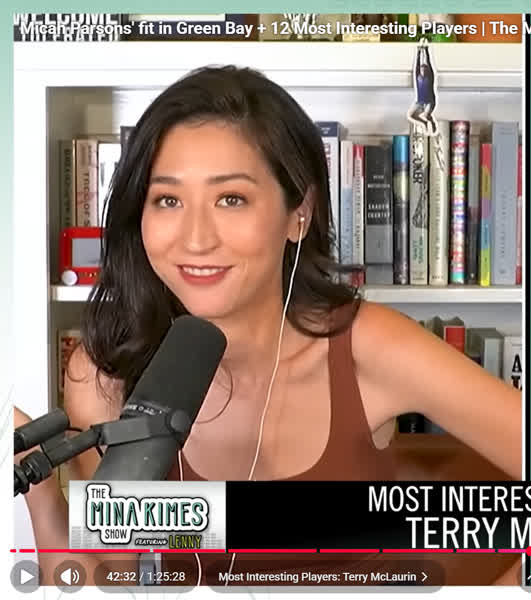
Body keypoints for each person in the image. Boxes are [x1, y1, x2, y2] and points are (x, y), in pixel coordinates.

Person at [15, 65, 521, 587]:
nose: (195, 239)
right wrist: (38, 484)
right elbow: (101, 583)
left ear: (298, 212)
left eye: (230, 199)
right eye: (168, 200)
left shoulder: (370, 346)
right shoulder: (106, 371)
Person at [407, 39, 438, 135]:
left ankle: (431, 123)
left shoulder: (430, 77)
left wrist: (426, 50)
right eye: (421, 69)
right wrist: (419, 52)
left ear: (427, 70)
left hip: (430, 100)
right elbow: (416, 65)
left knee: (427, 115)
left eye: (424, 68)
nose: (422, 70)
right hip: (420, 100)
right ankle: (424, 122)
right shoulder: (418, 77)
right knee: (411, 115)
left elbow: (429, 62)